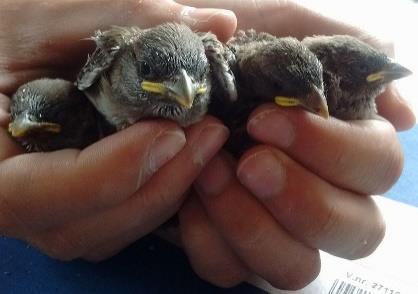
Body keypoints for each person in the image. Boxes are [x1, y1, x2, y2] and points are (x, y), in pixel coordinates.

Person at [0, 0, 415, 290]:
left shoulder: (214, 69)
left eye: (194, 84)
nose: (184, 93)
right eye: (157, 77)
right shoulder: (113, 53)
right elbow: (77, 89)